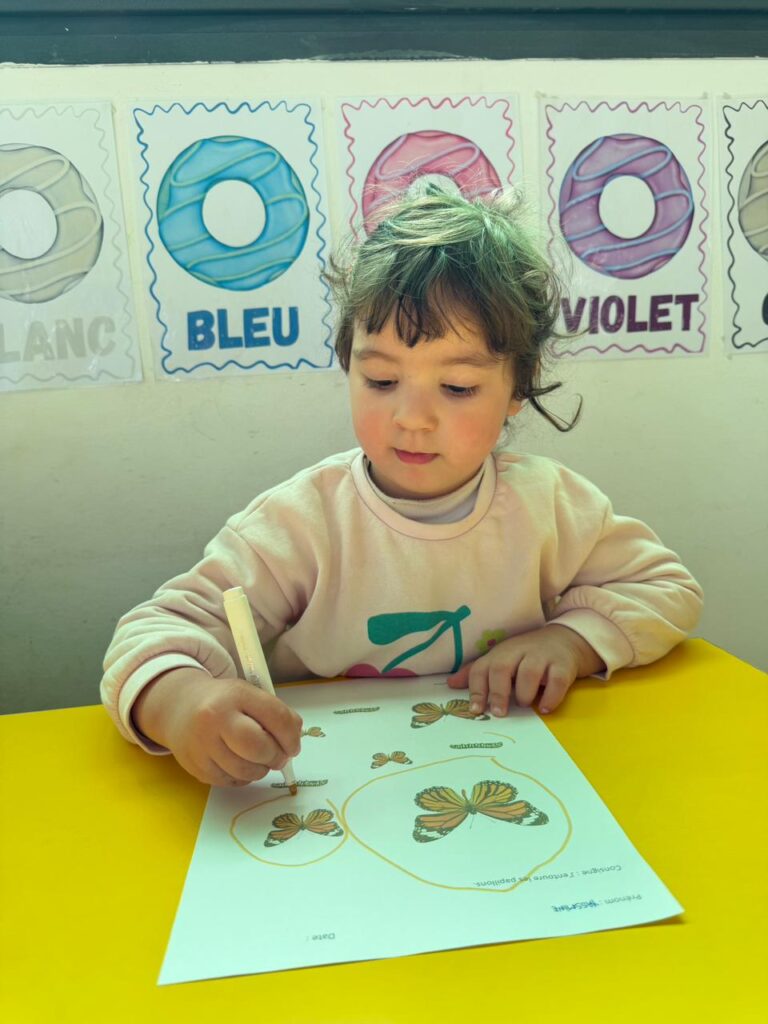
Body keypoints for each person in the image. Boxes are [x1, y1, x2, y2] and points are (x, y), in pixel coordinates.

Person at [100, 188, 703, 788]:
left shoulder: (549, 505)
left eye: (458, 388)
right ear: (349, 366)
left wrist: (569, 642)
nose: (412, 418)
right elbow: (153, 631)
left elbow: (667, 589)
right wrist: (179, 702)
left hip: (499, 778)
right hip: (337, 795)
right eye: (382, 379)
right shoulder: (300, 523)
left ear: (520, 386)